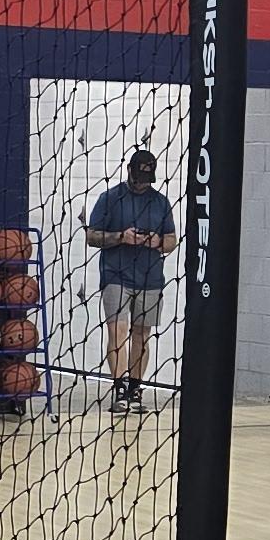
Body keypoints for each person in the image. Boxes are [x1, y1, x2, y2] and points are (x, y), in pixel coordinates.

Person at [86, 147, 179, 413]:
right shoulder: (110, 198)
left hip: (150, 277)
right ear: (129, 171)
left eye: (147, 179)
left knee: (142, 334)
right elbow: (92, 236)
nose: (142, 184)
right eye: (138, 177)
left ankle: (136, 389)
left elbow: (172, 240)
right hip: (116, 274)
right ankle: (119, 390)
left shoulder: (160, 202)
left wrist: (157, 241)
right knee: (117, 330)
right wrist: (120, 237)